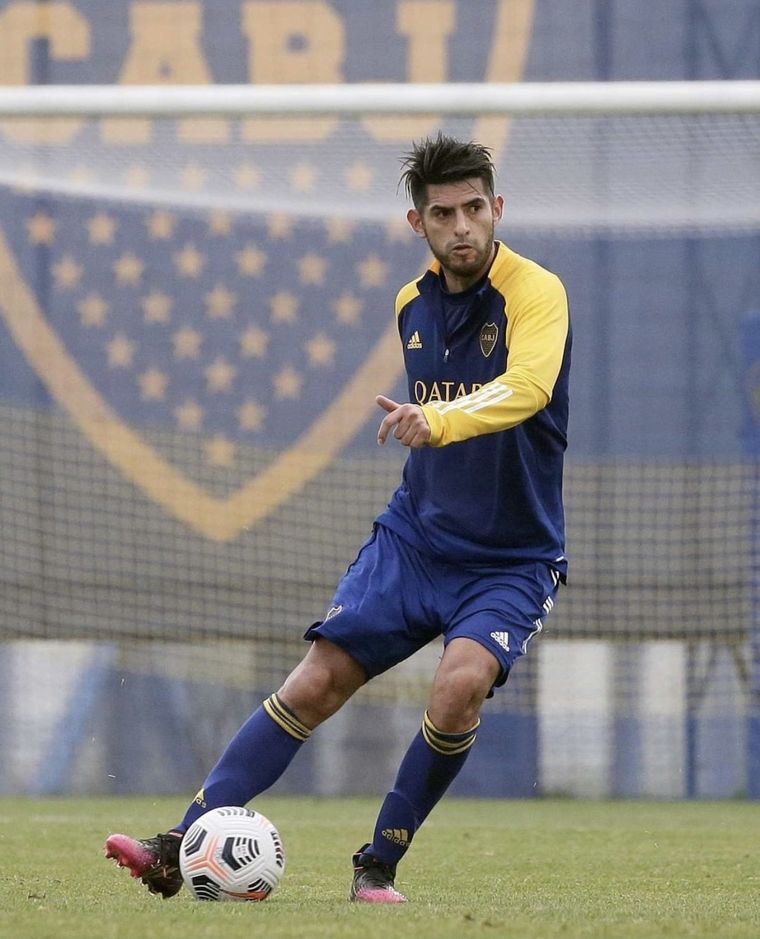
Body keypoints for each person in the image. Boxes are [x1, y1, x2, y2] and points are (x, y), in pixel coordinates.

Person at [104, 132, 571, 903]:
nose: (463, 226)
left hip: (512, 558)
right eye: (443, 212)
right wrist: (431, 432)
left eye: (475, 208)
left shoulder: (536, 292)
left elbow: (530, 387)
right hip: (416, 540)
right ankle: (177, 845)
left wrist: (439, 422)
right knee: (315, 681)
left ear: (498, 209)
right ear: (417, 224)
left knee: (458, 687)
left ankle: (375, 866)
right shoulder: (410, 307)